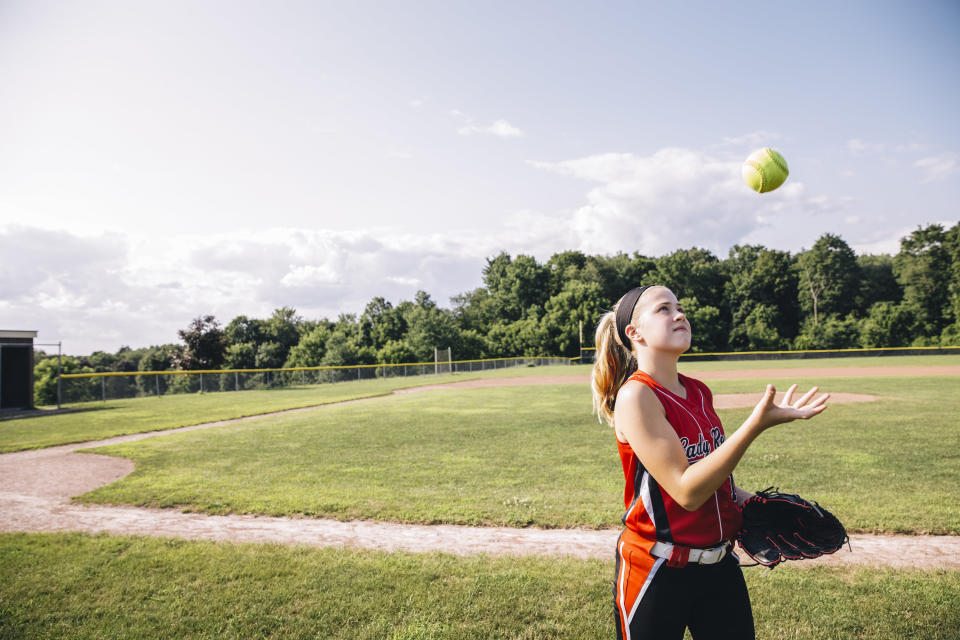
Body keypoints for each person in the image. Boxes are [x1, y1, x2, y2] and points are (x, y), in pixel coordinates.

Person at [591, 285, 829, 639]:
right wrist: (755, 425)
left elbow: (713, 477)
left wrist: (749, 501)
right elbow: (686, 490)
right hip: (658, 569)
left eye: (680, 307)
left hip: (720, 565)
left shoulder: (698, 390)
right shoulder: (637, 395)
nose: (680, 314)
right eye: (664, 309)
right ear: (634, 332)